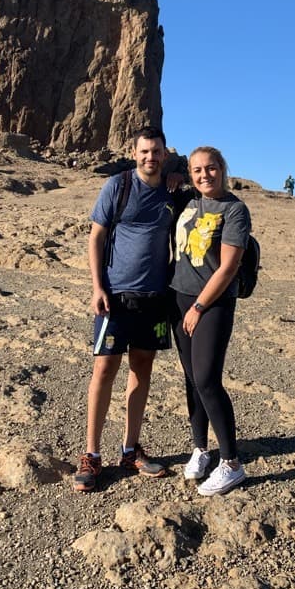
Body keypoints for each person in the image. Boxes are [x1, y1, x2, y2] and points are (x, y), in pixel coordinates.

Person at [73, 126, 177, 493]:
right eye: (144, 151)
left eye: (157, 151)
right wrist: (97, 286)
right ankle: (91, 455)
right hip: (115, 296)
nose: (151, 157)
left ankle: (131, 450)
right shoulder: (118, 186)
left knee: (142, 369)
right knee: (104, 368)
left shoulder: (172, 190)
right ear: (134, 153)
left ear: (165, 154)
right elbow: (96, 236)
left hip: (154, 298)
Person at [170, 146, 251, 496]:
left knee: (206, 379)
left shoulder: (235, 210)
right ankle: (200, 449)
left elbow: (229, 267)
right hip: (178, 298)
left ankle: (232, 463)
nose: (205, 175)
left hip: (212, 303)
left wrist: (199, 307)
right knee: (191, 379)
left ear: (223, 169)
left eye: (211, 168)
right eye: (197, 169)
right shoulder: (189, 200)